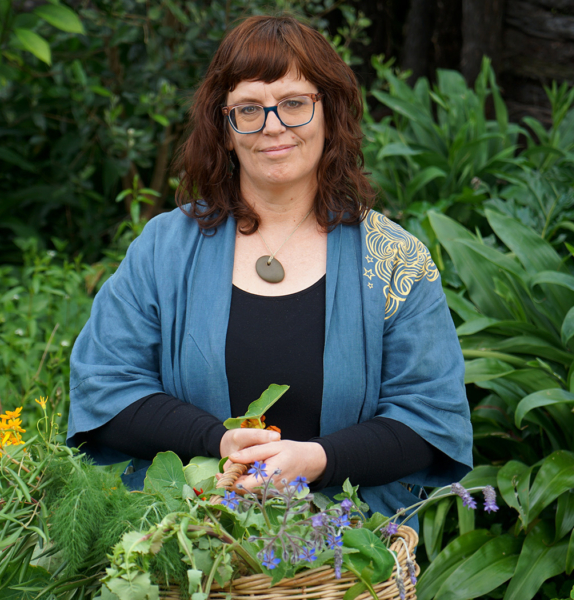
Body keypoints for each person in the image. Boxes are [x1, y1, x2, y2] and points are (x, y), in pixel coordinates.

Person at [67, 15, 472, 519]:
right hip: (184, 544)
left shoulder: (395, 260)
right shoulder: (165, 249)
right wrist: (217, 442)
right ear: (225, 127)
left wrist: (319, 461)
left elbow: (431, 420)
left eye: (294, 103)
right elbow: (104, 388)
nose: (273, 125)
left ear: (330, 112)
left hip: (343, 563)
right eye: (249, 109)